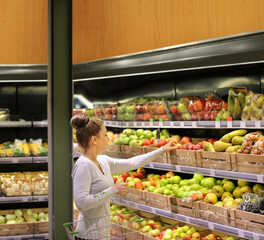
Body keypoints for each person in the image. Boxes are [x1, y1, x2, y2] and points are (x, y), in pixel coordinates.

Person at [71, 114, 178, 240]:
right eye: (105, 135)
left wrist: (161, 150)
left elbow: (132, 163)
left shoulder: (103, 161)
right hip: (87, 236)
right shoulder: (83, 165)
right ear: (94, 140)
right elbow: (81, 203)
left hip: (102, 234)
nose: (108, 139)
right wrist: (112, 190)